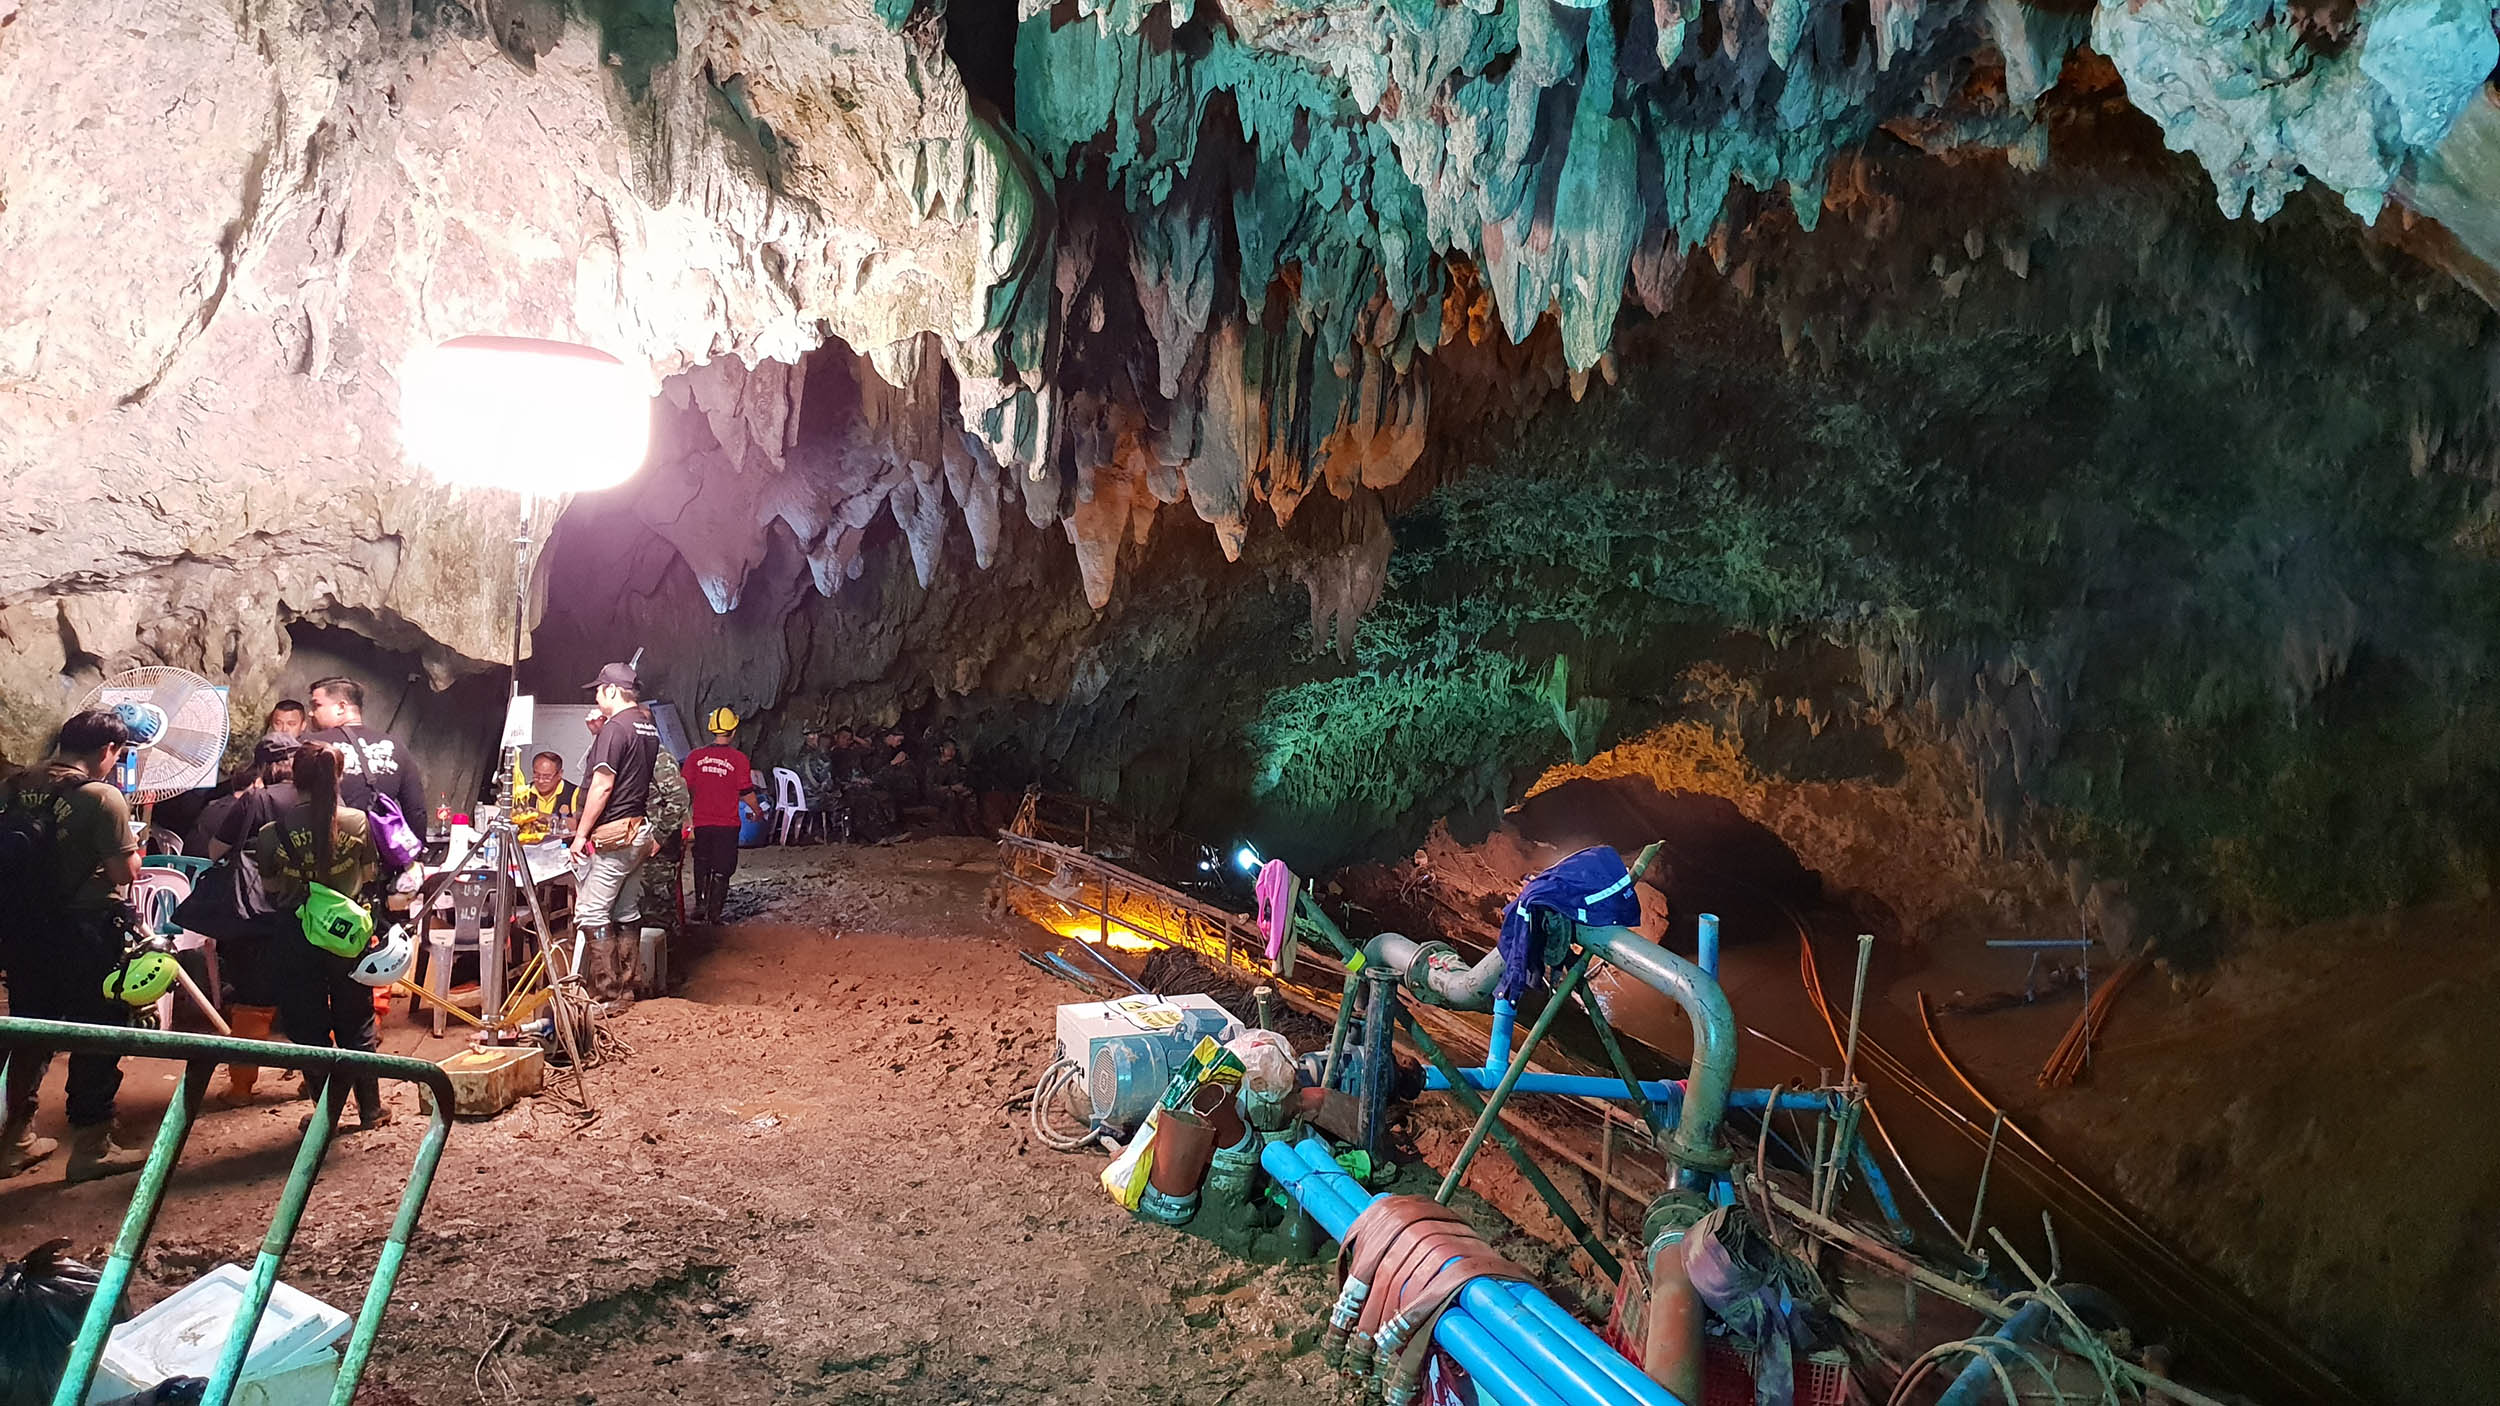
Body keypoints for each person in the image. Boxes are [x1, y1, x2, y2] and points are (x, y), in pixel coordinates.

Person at [0, 709, 148, 1181]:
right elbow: (127, 873)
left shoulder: (15, 786)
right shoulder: (102, 797)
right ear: (108, 752)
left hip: (24, 929)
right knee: (96, 1030)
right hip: (86, 929)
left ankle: (14, 1140)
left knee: (30, 1031)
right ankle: (91, 1146)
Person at [256, 741, 392, 1131]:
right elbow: (368, 877)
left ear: (294, 779)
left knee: (308, 1023)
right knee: (357, 1018)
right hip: (347, 935)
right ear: (339, 776)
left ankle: (326, 1115)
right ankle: (370, 1109)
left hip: (296, 934)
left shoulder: (272, 833)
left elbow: (270, 888)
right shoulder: (358, 822)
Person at [205, 734, 302, 1101]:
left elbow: (216, 850)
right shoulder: (322, 800)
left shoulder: (256, 800)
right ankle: (316, 1080)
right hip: (306, 911)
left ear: (262, 766)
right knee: (307, 996)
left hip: (255, 913)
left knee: (250, 998)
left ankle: (242, 1085)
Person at [570, 663, 662, 1007]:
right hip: (639, 830)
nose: (595, 696)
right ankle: (628, 984)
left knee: (592, 913)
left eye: (598, 689)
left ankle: (611, 993)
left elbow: (603, 784)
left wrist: (581, 835)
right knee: (625, 910)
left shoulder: (614, 728)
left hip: (615, 836)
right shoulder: (647, 727)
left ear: (611, 690)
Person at [303, 676, 427, 838]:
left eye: (317, 705)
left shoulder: (312, 746)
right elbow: (416, 810)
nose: (311, 713)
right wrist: (414, 853)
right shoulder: (395, 747)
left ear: (341, 707)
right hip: (382, 853)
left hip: (329, 852)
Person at [683, 710, 761, 924]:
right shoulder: (739, 759)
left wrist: (686, 817)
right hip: (727, 824)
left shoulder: (695, 757)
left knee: (702, 862)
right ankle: (714, 915)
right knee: (723, 868)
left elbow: (684, 788)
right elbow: (746, 792)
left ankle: (700, 906)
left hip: (701, 822)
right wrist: (758, 811)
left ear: (711, 729)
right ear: (733, 731)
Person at [512, 750, 577, 846]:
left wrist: (542, 816)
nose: (541, 781)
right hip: (528, 847)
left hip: (561, 849)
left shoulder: (573, 792)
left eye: (547, 777)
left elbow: (578, 825)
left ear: (560, 774)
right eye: (536, 775)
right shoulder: (524, 793)